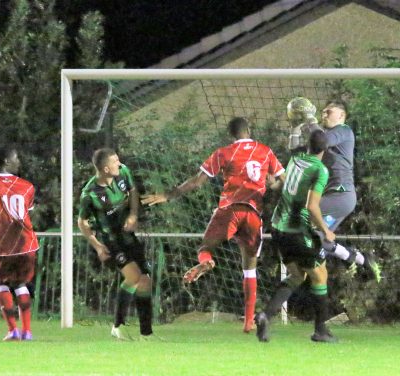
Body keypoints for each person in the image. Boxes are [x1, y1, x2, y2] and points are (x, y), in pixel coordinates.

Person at [141, 117, 285, 333]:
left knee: (206, 247)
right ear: (249, 130)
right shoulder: (265, 150)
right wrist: (271, 185)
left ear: (231, 134)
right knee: (249, 269)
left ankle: (207, 261)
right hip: (254, 214)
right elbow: (283, 182)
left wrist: (168, 195)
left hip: (230, 210)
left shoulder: (224, 153)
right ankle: (248, 323)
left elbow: (197, 181)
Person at [255, 130, 337, 343]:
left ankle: (265, 315)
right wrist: (326, 230)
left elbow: (283, 187)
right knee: (320, 275)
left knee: (297, 275)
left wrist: (273, 184)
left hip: (277, 228)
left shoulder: (295, 159)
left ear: (308, 146)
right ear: (325, 150)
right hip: (297, 230)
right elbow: (312, 207)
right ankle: (320, 331)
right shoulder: (320, 170)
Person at [287, 97, 381, 282]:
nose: (324, 114)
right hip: (336, 198)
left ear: (342, 115)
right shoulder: (321, 140)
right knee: (317, 239)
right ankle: (360, 259)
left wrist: (310, 120)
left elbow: (321, 141)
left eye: (328, 112)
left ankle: (314, 269)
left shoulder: (344, 131)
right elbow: (297, 155)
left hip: (340, 195)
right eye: (322, 112)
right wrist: (295, 128)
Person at [78, 148, 153, 340]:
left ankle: (146, 333)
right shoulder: (90, 193)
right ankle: (118, 326)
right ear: (105, 168)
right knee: (133, 276)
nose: (119, 164)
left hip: (129, 237)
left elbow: (133, 191)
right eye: (115, 161)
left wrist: (133, 215)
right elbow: (82, 222)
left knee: (145, 280)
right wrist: (97, 246)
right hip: (112, 242)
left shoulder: (123, 172)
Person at [0, 144, 39, 341]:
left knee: (3, 283)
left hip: (3, 244)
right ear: (6, 161)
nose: (19, 162)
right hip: (27, 243)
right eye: (16, 158)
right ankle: (27, 332)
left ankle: (13, 331)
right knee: (21, 284)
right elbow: (25, 215)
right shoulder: (27, 186)